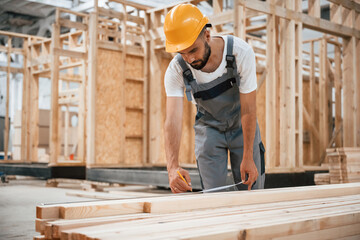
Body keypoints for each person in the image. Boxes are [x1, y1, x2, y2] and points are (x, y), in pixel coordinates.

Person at [163, 3, 265, 193]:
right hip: (209, 129)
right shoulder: (176, 70)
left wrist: (249, 156)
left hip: (241, 126)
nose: (189, 60)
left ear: (207, 36)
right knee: (213, 196)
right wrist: (172, 167)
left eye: (193, 50)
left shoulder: (240, 53)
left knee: (251, 191)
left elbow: (249, 110)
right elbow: (172, 120)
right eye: (182, 53)